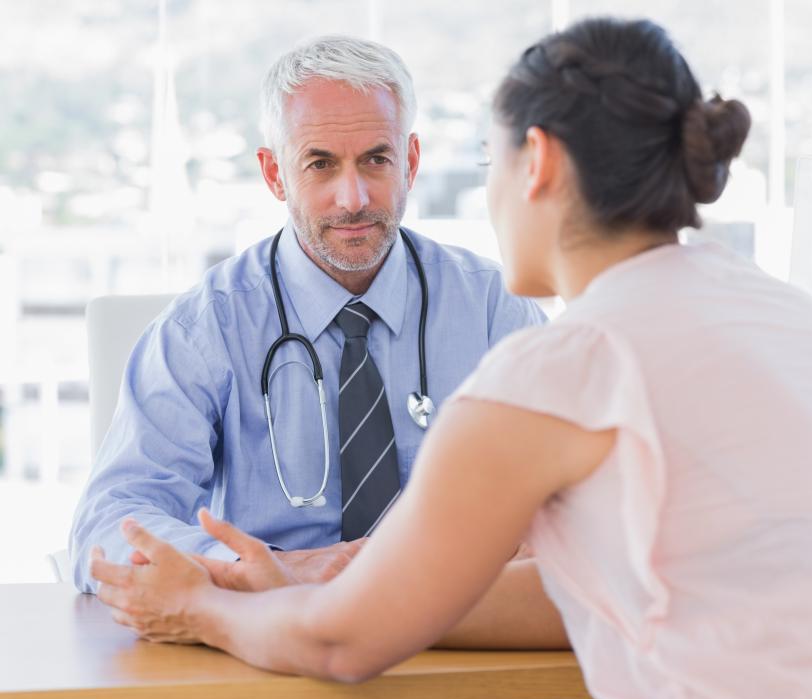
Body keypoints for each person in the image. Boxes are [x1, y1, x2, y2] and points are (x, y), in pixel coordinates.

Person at [91, 17, 812, 699]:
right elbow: (612, 583)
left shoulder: (561, 366)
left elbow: (339, 645)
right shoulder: (811, 324)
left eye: (490, 163)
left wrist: (202, 608)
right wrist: (303, 576)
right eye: (323, 166)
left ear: (535, 163)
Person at [69, 35, 558, 646]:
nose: (352, 198)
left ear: (410, 160)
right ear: (275, 173)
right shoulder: (206, 328)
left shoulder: (492, 308)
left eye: (376, 160)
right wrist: (265, 572)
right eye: (320, 163)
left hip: (460, 634)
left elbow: (566, 502)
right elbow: (109, 520)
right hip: (272, 642)